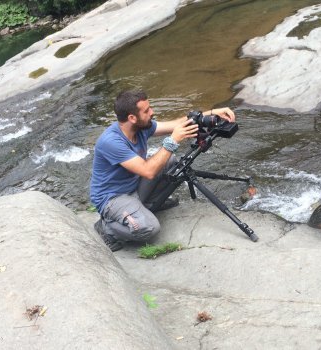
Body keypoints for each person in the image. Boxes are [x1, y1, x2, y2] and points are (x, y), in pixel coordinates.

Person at [90, 90, 236, 251]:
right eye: (146, 111)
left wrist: (214, 113)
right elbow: (148, 172)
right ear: (132, 118)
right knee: (149, 228)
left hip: (133, 187)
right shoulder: (111, 141)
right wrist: (173, 140)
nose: (152, 112)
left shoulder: (141, 126)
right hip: (113, 198)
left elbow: (177, 123)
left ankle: (147, 205)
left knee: (171, 162)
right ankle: (107, 229)